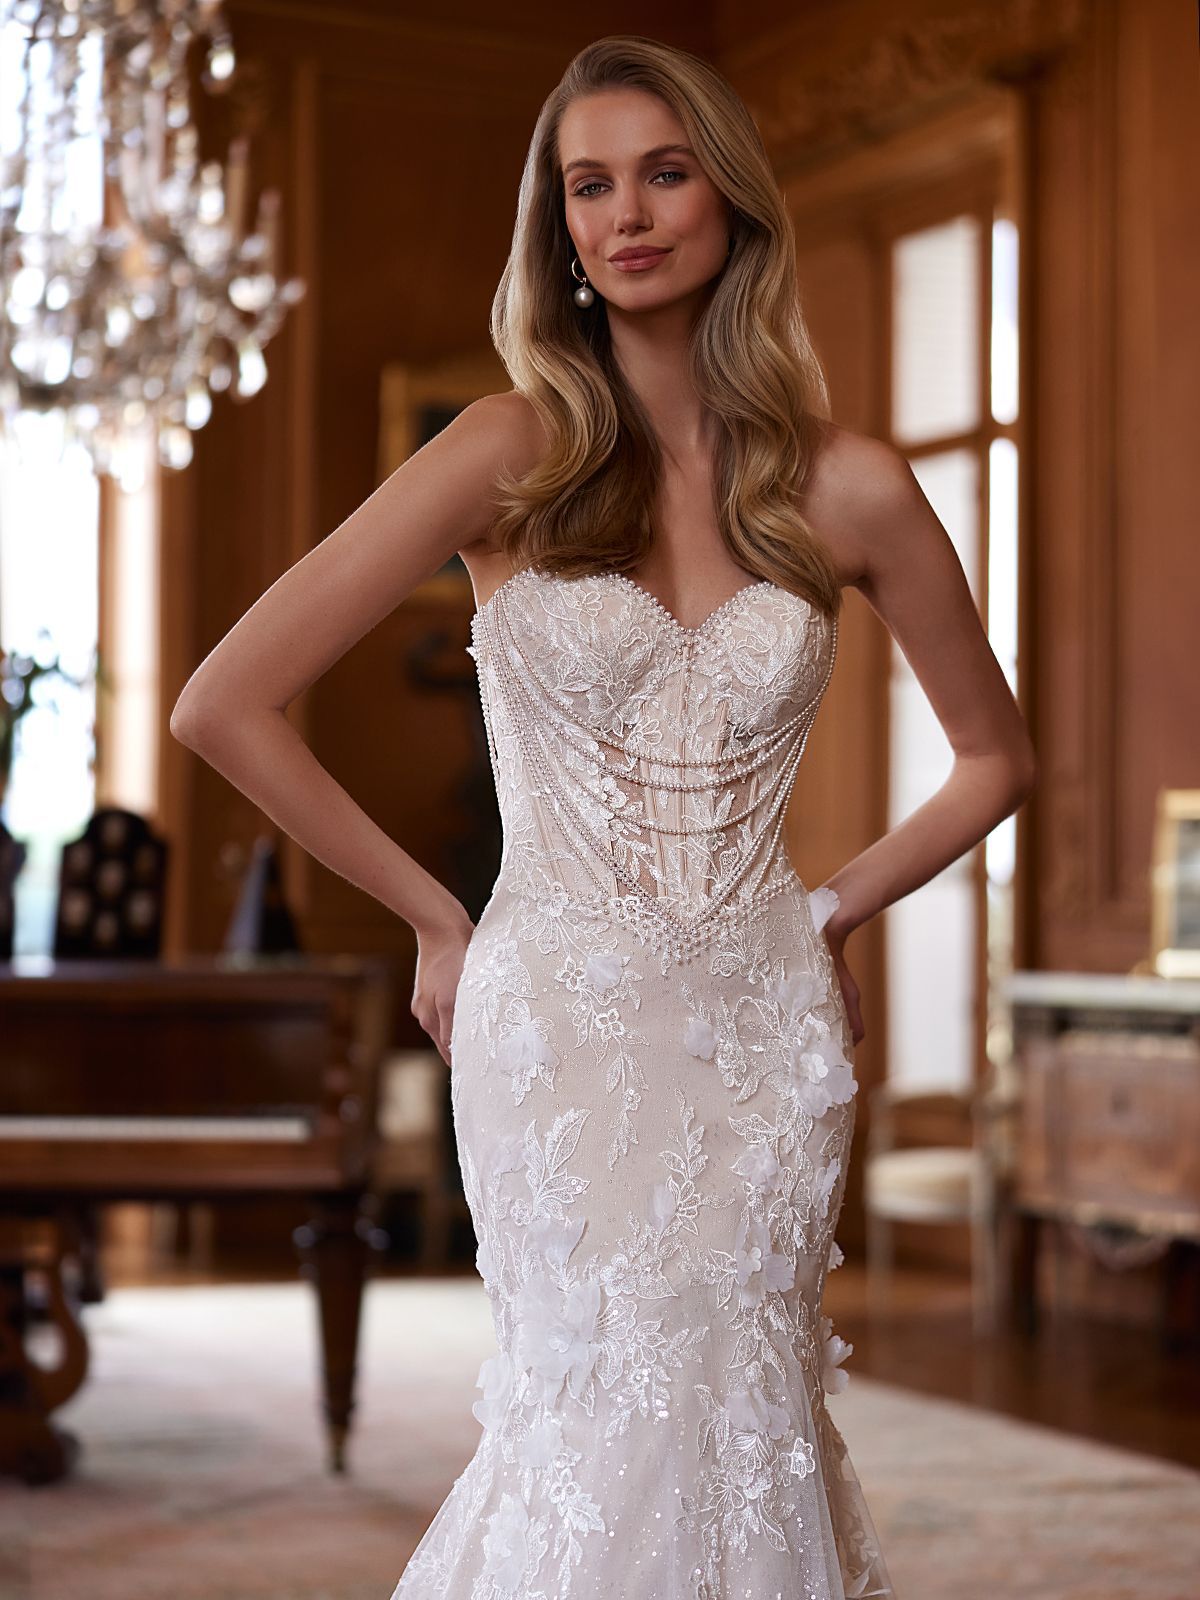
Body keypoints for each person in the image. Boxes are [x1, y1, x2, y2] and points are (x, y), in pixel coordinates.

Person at [172, 32, 1035, 1600]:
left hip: (767, 1024)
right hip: (558, 1016)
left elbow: (996, 761)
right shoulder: (509, 451)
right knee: (595, 1412)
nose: (625, 213)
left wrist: (831, 909)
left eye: (663, 170)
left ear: (731, 200)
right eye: (588, 184)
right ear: (556, 229)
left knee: (746, 1404)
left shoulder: (849, 490)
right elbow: (224, 703)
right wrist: (443, 915)